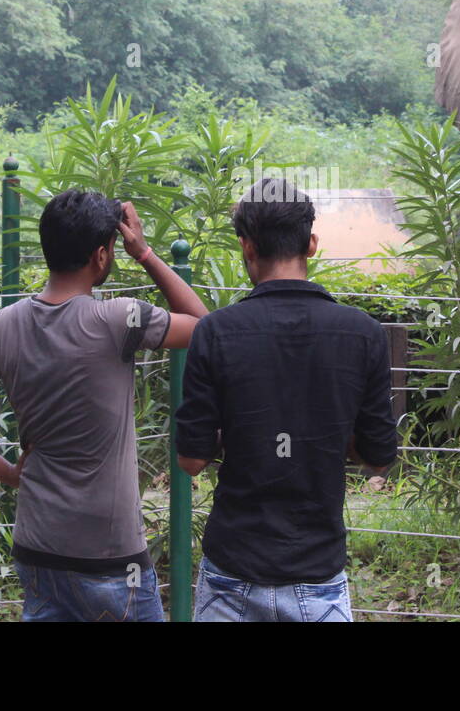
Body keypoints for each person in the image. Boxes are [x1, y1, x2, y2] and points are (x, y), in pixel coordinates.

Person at [0, 191, 207, 621]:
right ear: (100, 255)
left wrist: (5, 470)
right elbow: (205, 327)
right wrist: (145, 253)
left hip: (38, 549)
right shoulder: (120, 319)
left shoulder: (2, 326)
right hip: (112, 557)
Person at [175, 177, 398, 621]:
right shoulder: (365, 335)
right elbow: (379, 457)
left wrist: (240, 430)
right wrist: (332, 433)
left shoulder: (215, 333)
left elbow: (190, 460)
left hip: (231, 572)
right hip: (317, 571)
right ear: (311, 243)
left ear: (247, 247)